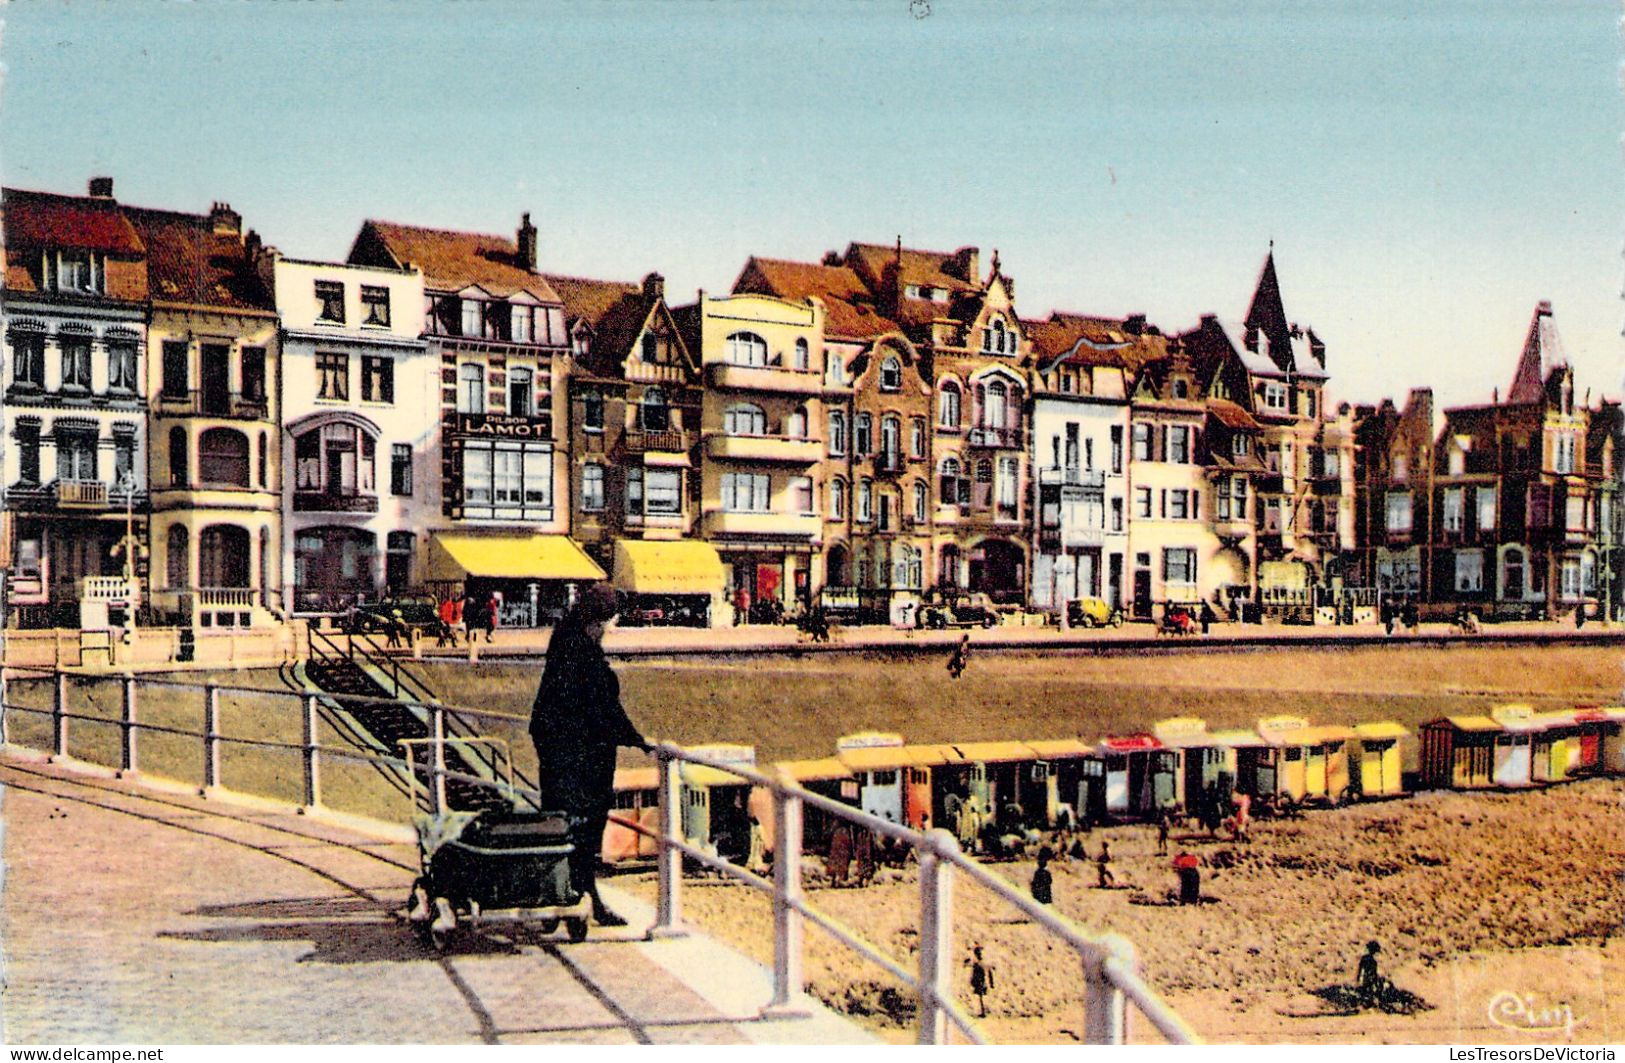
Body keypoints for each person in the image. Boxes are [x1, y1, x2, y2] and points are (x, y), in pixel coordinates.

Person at [529, 582, 651, 927]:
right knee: (583, 831)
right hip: (583, 759)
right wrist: (638, 740)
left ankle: (565, 900)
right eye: (609, 622)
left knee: (560, 825)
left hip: (558, 753)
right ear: (598, 621)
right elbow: (605, 708)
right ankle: (581, 900)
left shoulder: (564, 643)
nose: (610, 629)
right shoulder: (584, 652)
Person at [967, 945, 994, 1018]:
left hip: (981, 983)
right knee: (981, 998)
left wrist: (972, 981)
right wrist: (991, 983)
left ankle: (984, 1011)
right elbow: (989, 973)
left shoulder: (978, 964)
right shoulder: (983, 963)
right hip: (982, 983)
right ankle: (983, 1011)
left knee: (981, 997)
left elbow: (975, 974)